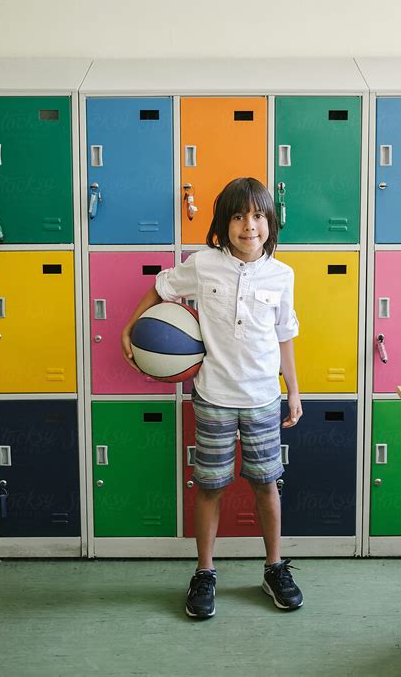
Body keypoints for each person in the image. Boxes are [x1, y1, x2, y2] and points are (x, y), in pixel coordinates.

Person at [121, 177, 303, 619]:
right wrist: (130, 326)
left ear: (270, 222)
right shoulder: (203, 265)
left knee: (266, 484)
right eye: (238, 216)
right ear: (223, 224)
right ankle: (205, 572)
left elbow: (284, 337)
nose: (249, 226)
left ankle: (274, 567)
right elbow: (163, 287)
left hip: (262, 398)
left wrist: (293, 391)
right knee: (209, 487)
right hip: (213, 398)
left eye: (258, 216)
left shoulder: (282, 275)